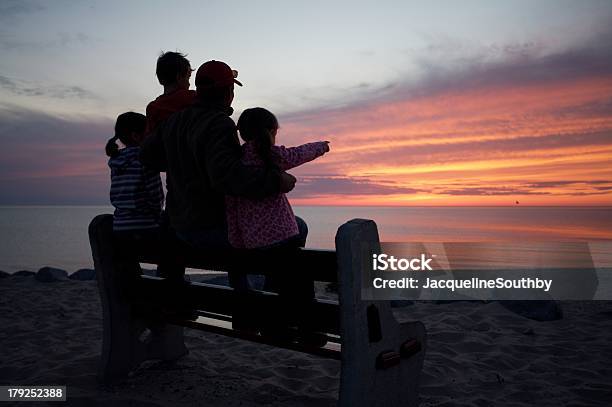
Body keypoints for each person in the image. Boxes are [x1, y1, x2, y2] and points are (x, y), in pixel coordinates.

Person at [140, 60, 296, 294]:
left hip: (180, 227)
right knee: (296, 228)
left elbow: (148, 156)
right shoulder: (219, 123)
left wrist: (180, 158)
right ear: (229, 92)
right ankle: (273, 304)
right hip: (209, 231)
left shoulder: (173, 120)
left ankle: (254, 299)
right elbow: (227, 178)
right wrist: (277, 182)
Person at [226, 107, 330, 249]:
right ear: (271, 132)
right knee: (302, 228)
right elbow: (298, 154)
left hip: (253, 241)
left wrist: (237, 242)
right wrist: (321, 146)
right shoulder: (272, 154)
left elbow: (231, 206)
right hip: (283, 235)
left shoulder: (236, 161)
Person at [145, 51, 196, 135]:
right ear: (179, 77)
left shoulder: (152, 108)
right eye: (188, 77)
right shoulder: (192, 98)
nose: (189, 83)